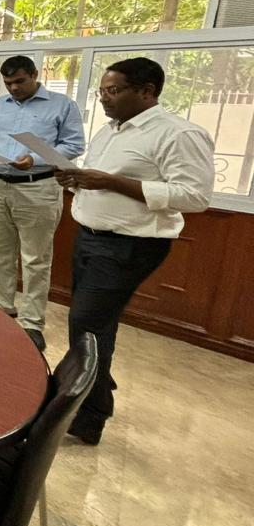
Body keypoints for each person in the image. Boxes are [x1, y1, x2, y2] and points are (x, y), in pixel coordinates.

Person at [56, 58, 213, 444]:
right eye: (101, 92)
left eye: (113, 91)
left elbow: (194, 196)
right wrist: (76, 180)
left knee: (85, 325)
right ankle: (97, 393)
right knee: (97, 326)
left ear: (146, 91)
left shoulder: (178, 133)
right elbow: (99, 182)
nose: (104, 99)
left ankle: (85, 414)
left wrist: (112, 182)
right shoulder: (108, 131)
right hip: (89, 236)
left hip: (131, 244)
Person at [0, 55, 85, 352]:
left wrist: (33, 159)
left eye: (19, 81)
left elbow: (74, 145)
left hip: (38, 187)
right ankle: (2, 307)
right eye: (8, 83)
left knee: (35, 259)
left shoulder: (62, 105)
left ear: (35, 74)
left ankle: (32, 322)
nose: (13, 88)